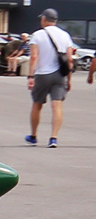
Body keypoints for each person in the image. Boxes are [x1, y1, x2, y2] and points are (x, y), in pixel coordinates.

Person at [27, 8, 76, 146]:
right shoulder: (65, 35)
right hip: (60, 75)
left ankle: (33, 135)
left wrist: (30, 76)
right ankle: (53, 137)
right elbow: (69, 59)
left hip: (43, 74)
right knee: (57, 105)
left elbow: (34, 57)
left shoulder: (37, 35)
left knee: (37, 104)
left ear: (44, 19)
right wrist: (69, 79)